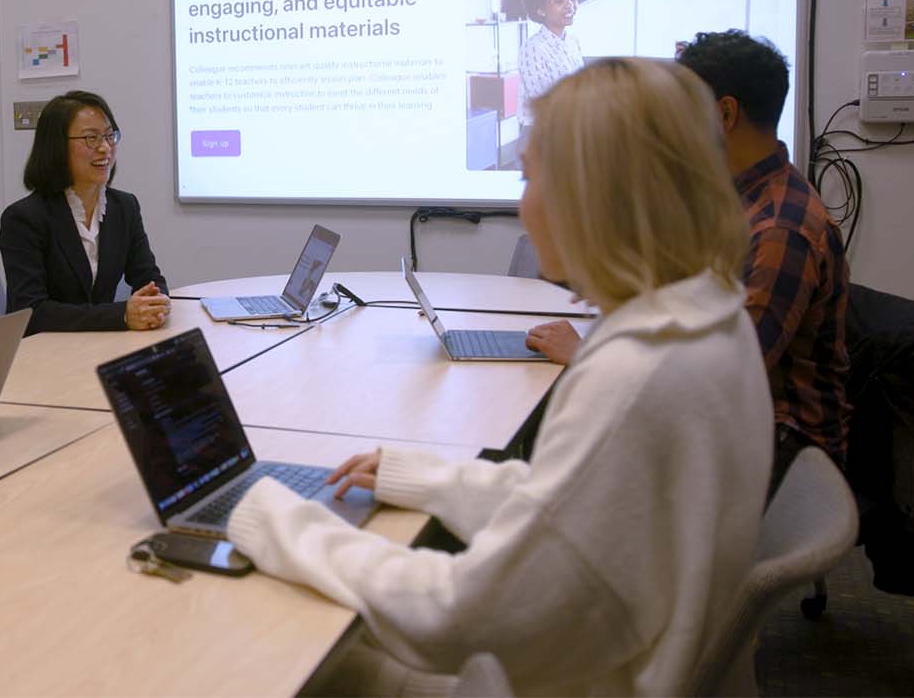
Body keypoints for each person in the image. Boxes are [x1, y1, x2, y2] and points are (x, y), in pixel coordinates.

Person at [227, 59, 772, 695]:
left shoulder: (635, 375)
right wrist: (425, 478)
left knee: (281, 656)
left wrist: (277, 521)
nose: (522, 204)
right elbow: (570, 506)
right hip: (626, 655)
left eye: (528, 178)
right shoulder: (709, 320)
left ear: (590, 196)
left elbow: (462, 617)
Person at [527, 31, 851, 493]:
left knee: (576, 467)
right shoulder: (732, 203)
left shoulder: (781, 228)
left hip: (779, 446)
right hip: (733, 426)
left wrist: (590, 355)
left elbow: (721, 383)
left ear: (724, 114)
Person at [0, 90, 169, 335]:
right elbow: (32, 312)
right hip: (44, 355)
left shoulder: (125, 207)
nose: (105, 148)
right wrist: (121, 315)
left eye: (110, 136)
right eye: (91, 138)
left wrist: (155, 302)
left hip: (101, 345)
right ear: (57, 146)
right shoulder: (24, 219)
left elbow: (149, 276)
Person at [516, 0, 584, 127]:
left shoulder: (573, 42)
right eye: (559, 0)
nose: (569, 5)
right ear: (540, 9)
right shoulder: (532, 48)